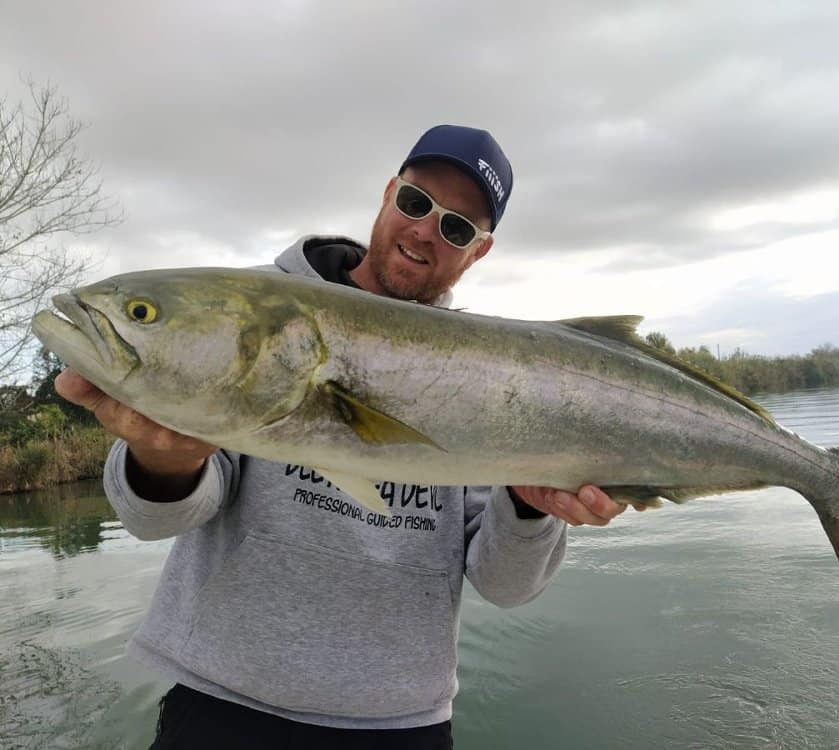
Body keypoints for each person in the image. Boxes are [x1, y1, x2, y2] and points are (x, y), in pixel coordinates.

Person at [56, 125, 627, 749]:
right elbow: (153, 519)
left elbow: (505, 585)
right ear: (389, 193)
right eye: (416, 204)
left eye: (457, 228)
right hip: (223, 708)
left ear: (479, 251)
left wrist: (526, 506)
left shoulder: (496, 380)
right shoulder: (259, 312)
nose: (424, 232)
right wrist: (163, 462)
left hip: (401, 726)